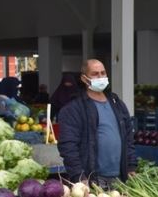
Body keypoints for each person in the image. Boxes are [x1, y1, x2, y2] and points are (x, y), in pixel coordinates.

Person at [57, 59, 136, 187]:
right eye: (95, 74)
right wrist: (78, 176)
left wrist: (131, 166)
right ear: (84, 78)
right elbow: (68, 146)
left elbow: (128, 137)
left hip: (120, 178)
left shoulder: (117, 104)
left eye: (103, 73)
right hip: (92, 180)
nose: (100, 77)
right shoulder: (74, 108)